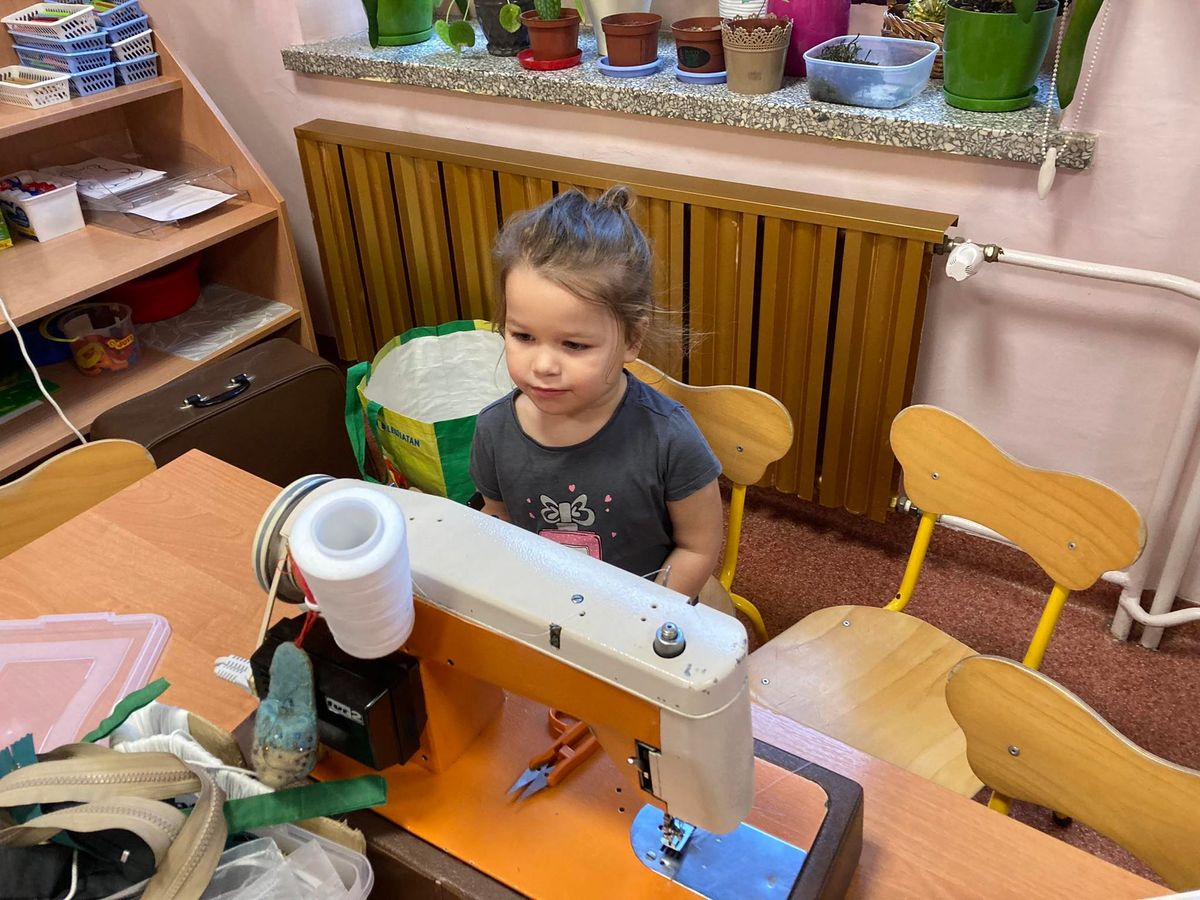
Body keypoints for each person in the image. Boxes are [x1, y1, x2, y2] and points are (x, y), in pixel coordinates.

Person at [468, 185, 724, 603]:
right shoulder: (493, 429)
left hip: (641, 612)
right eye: (523, 336)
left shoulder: (670, 438)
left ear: (632, 339)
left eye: (574, 345)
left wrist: (642, 614)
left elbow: (697, 547)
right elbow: (498, 518)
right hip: (545, 606)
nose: (543, 365)